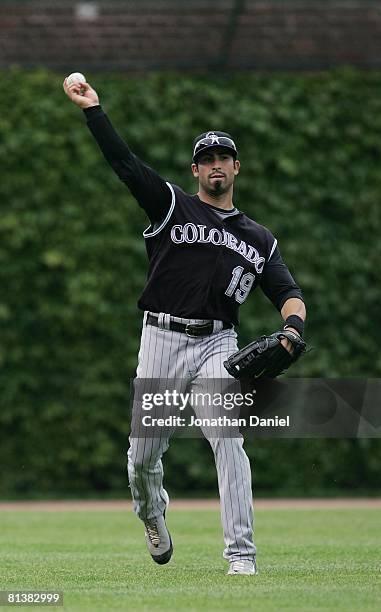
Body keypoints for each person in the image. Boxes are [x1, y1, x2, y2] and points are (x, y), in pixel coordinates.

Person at [63, 77, 306, 576]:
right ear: (196, 170)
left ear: (236, 167)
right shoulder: (173, 206)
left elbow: (287, 293)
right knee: (141, 458)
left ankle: (242, 557)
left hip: (219, 343)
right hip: (161, 340)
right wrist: (94, 111)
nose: (216, 165)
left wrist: (294, 329)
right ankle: (153, 515)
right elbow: (126, 166)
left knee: (228, 438)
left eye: (224, 157)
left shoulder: (259, 238)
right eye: (207, 159)